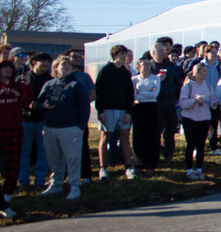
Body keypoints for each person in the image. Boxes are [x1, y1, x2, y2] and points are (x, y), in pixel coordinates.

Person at [37, 56, 90, 201]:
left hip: (71, 127)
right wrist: (43, 106)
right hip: (50, 127)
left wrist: (81, 126)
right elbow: (39, 102)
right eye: (63, 64)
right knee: (54, 159)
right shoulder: (49, 84)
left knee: (73, 158)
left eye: (69, 64)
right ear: (55, 68)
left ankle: (74, 186)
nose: (67, 67)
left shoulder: (76, 85)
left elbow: (85, 106)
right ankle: (56, 185)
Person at [94, 45, 135, 180]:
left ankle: (128, 167)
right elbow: (98, 92)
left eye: (126, 54)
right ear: (115, 55)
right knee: (105, 137)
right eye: (122, 54)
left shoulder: (125, 72)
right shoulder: (105, 70)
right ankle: (103, 168)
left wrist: (129, 112)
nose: (124, 57)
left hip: (123, 110)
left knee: (124, 137)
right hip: (108, 110)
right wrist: (100, 110)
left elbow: (130, 94)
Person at [0, 60, 31, 216]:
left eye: (10, 68)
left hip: (15, 129)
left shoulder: (18, 86)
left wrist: (27, 84)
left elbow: (26, 102)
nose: (8, 70)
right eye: (4, 68)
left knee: (13, 163)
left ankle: (8, 191)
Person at [19, 52, 53, 188]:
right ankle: (23, 181)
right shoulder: (24, 78)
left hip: (42, 120)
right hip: (25, 119)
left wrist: (39, 105)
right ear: (34, 63)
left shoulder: (49, 79)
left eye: (47, 61)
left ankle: (39, 181)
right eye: (42, 61)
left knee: (42, 152)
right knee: (24, 152)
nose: (45, 64)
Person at [179, 63, 216, 180]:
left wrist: (214, 103)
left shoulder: (207, 86)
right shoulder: (188, 86)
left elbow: (212, 100)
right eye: (204, 71)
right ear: (197, 73)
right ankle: (189, 170)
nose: (206, 73)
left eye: (206, 71)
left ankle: (199, 169)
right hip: (190, 119)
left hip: (204, 118)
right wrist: (194, 101)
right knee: (190, 144)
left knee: (201, 145)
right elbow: (182, 103)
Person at [65, 49, 96, 184]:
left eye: (80, 57)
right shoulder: (61, 76)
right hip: (63, 118)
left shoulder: (84, 76)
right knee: (64, 147)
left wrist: (80, 104)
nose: (78, 59)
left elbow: (93, 94)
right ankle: (64, 175)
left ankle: (86, 175)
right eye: (75, 57)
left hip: (80, 117)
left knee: (82, 145)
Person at [150, 42, 183, 161]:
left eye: (163, 51)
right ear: (152, 53)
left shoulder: (171, 67)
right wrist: (156, 80)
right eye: (158, 51)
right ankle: (155, 152)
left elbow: (178, 83)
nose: (161, 53)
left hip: (170, 102)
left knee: (170, 130)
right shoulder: (150, 67)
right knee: (155, 129)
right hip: (155, 102)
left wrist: (178, 99)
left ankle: (168, 154)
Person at [132, 57, 161, 174]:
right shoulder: (134, 79)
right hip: (139, 108)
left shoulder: (155, 79)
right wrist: (147, 94)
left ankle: (151, 164)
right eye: (144, 64)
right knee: (138, 135)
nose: (147, 66)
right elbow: (134, 96)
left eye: (149, 64)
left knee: (152, 135)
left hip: (152, 108)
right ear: (139, 66)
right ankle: (138, 163)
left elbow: (155, 94)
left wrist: (141, 93)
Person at [198, 42, 221, 155]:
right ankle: (198, 147)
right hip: (202, 99)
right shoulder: (201, 65)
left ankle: (214, 147)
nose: (214, 54)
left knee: (214, 124)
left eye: (215, 52)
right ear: (206, 53)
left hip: (215, 99)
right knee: (202, 125)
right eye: (211, 52)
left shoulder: (218, 67)